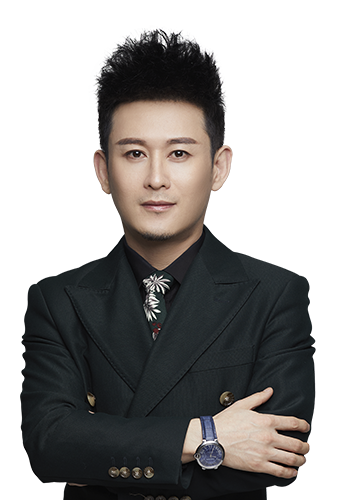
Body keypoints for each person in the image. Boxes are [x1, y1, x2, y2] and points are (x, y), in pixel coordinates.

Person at [21, 27, 315, 500]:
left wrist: (98, 455)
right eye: (134, 153)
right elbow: (48, 445)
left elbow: (279, 455)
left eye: (179, 153)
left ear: (218, 167)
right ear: (103, 171)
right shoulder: (57, 301)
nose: (156, 178)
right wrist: (207, 436)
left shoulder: (274, 294)